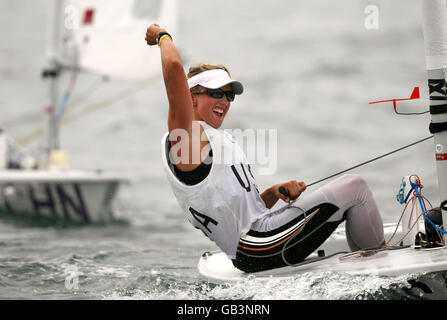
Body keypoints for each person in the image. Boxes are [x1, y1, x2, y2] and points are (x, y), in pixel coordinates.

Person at [145, 24, 385, 273]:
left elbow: (239, 217)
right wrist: (162, 37)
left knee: (350, 190)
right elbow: (173, 66)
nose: (225, 102)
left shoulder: (209, 139)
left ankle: (369, 265)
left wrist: (272, 193)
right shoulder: (187, 140)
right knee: (355, 187)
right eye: (216, 93)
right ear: (191, 97)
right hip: (259, 247)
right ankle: (383, 268)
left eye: (230, 96)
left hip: (255, 247)